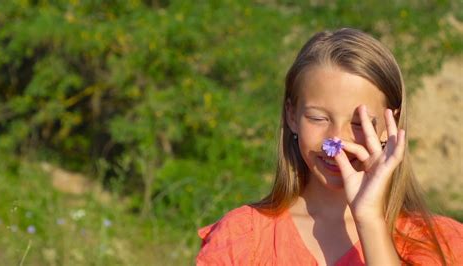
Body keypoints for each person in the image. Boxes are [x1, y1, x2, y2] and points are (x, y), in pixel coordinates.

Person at [196, 28, 462, 265]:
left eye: (359, 123)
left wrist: (369, 219)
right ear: (292, 116)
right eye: (318, 118)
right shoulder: (244, 237)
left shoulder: (440, 244)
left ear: (390, 123)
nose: (337, 141)